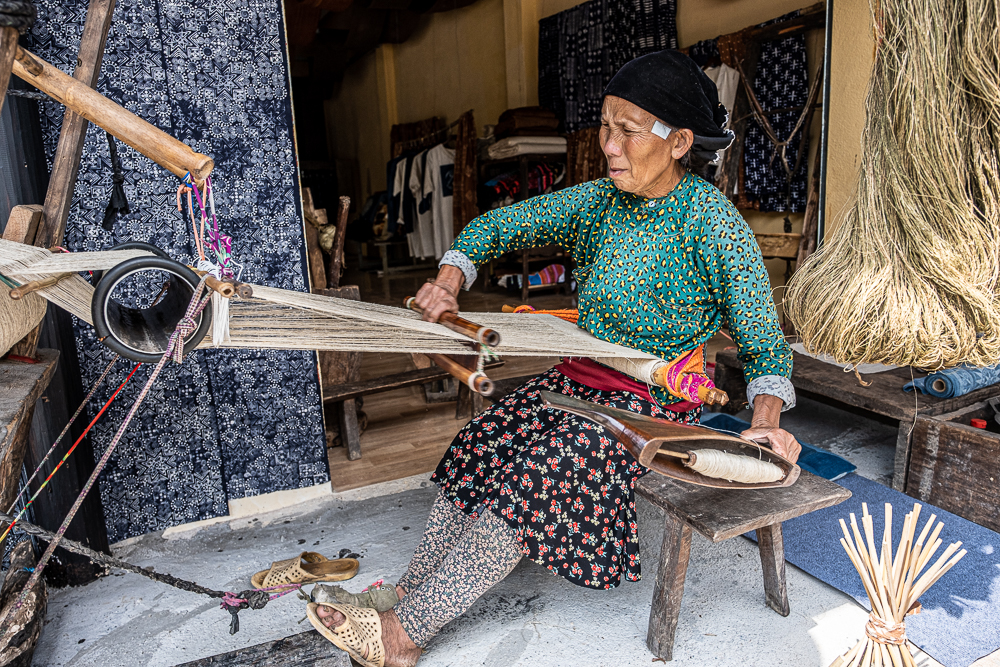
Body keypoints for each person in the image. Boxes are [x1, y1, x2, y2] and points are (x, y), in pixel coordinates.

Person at [306, 49, 801, 667]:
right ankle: (408, 593)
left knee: (539, 473)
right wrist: (449, 278)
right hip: (577, 382)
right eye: (605, 127)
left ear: (678, 142)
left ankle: (403, 635)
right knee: (485, 441)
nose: (609, 146)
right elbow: (498, 226)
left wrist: (766, 422)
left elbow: (764, 344)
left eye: (627, 130)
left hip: (651, 406)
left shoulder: (716, 227)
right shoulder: (598, 202)